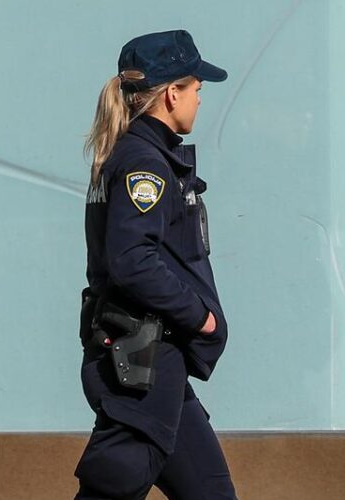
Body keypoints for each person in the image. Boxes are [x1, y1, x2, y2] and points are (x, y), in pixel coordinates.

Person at [75, 30, 237, 499]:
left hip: (157, 366)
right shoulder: (144, 165)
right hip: (141, 365)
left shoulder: (137, 157)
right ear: (171, 94)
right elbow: (133, 261)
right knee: (111, 489)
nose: (199, 100)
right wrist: (200, 317)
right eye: (197, 89)